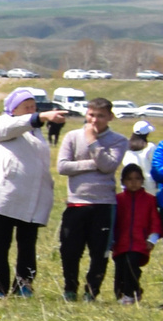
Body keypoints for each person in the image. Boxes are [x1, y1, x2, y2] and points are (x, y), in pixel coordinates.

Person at [0, 88, 61, 299]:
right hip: (8, 195)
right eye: (26, 107)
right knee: (1, 244)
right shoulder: (3, 123)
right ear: (13, 108)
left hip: (32, 197)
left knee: (27, 244)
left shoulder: (36, 133)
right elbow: (15, 126)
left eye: (33, 108)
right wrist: (40, 117)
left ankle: (24, 285)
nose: (30, 111)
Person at [53, 96, 128, 301]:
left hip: (104, 204)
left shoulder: (119, 141)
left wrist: (93, 142)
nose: (94, 120)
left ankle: (91, 290)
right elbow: (63, 167)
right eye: (91, 115)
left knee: (99, 252)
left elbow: (109, 166)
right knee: (69, 249)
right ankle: (70, 288)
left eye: (101, 116)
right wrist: (93, 164)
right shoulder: (72, 136)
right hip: (77, 201)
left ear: (110, 117)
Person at [112, 165, 157, 304]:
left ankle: (129, 294)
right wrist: (111, 240)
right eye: (129, 179)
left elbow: (155, 221)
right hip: (120, 244)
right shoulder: (117, 200)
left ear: (142, 180)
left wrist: (152, 239)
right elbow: (112, 222)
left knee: (131, 264)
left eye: (137, 179)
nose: (133, 182)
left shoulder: (149, 200)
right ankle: (129, 291)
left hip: (139, 243)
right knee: (120, 271)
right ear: (123, 181)